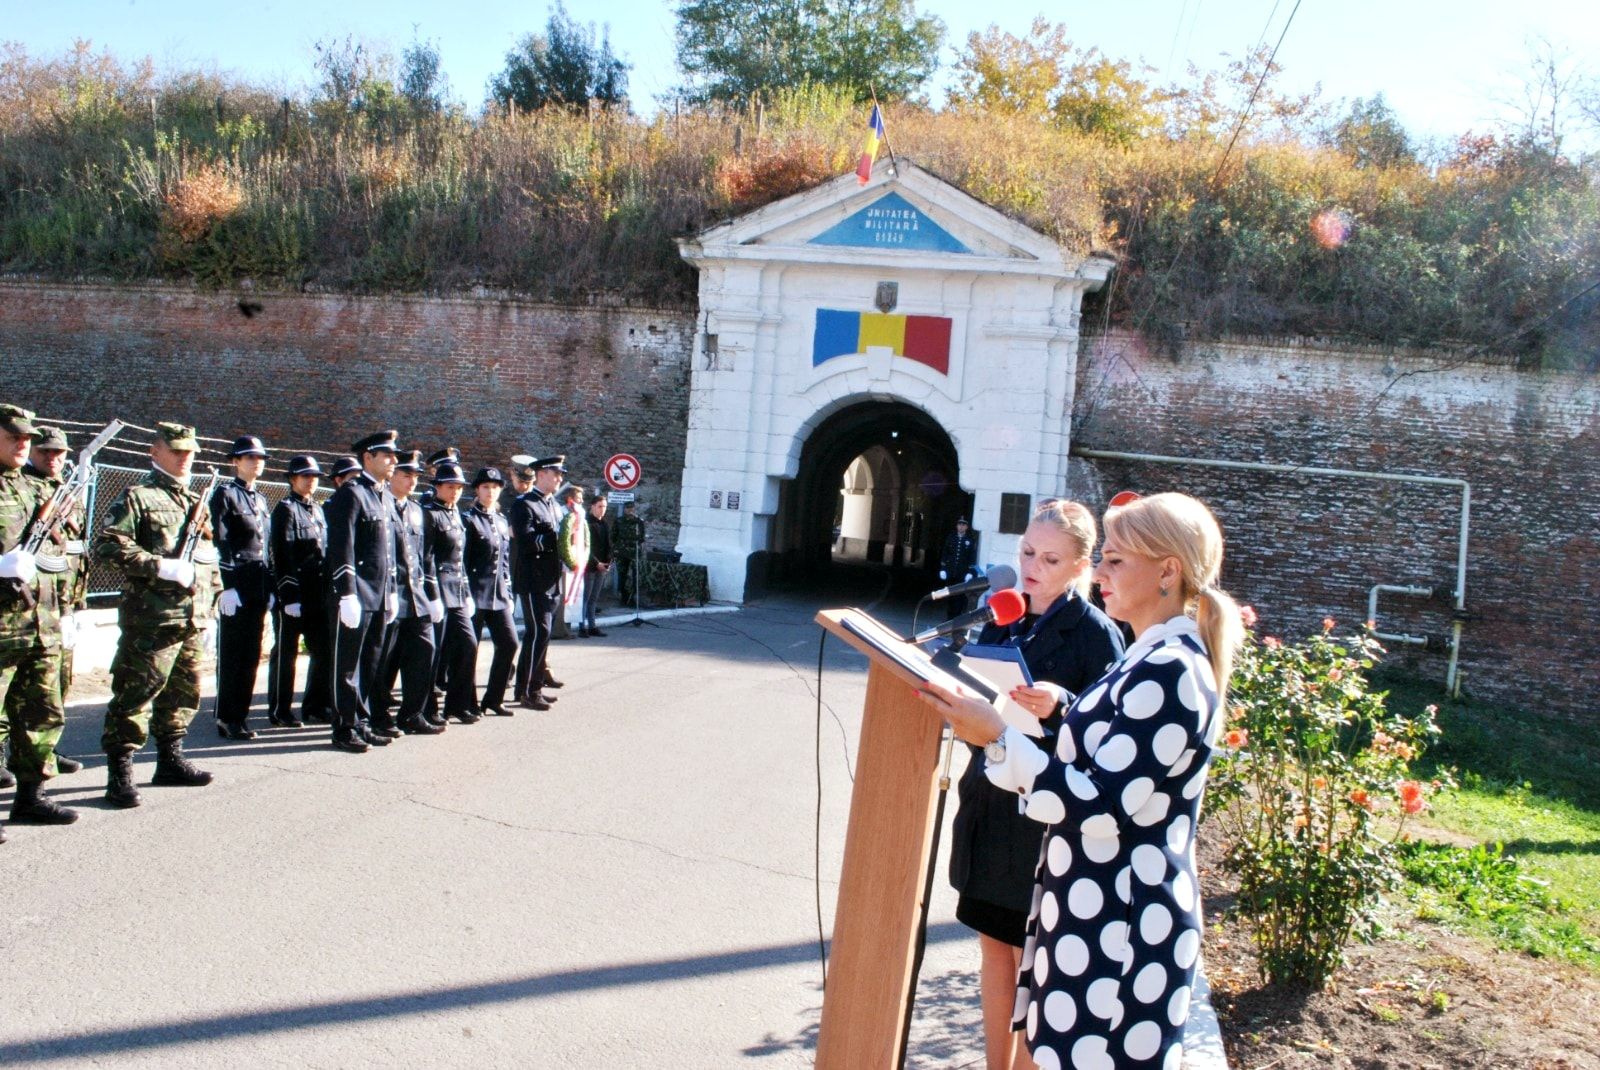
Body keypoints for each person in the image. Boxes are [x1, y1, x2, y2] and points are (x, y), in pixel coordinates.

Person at [916, 492, 1243, 1070]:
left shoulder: (1169, 668)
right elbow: (1114, 748)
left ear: (1167, 571)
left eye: (1115, 560)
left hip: (1120, 922)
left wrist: (997, 735)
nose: (1100, 572)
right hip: (1095, 913)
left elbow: (1101, 806)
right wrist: (1056, 710)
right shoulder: (1151, 655)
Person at [948, 500, 1125, 1070]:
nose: (1032, 567)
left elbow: (1110, 738)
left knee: (1034, 963)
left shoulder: (1096, 634)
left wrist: (1059, 706)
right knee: (994, 949)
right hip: (989, 801)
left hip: (1043, 819)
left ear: (1080, 567)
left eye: (1050, 559)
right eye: (1027, 552)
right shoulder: (1001, 614)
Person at [94, 421, 220, 808]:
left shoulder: (195, 500)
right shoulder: (138, 496)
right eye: (176, 450)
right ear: (155, 452)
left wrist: (212, 603)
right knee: (135, 695)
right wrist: (159, 566)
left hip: (191, 619)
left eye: (189, 452)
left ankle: (170, 760)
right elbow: (108, 547)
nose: (184, 458)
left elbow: (206, 557)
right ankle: (120, 774)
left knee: (183, 695)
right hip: (152, 619)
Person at [0, 405, 77, 834]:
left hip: (40, 623)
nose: (23, 444)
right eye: (13, 436)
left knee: (42, 715)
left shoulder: (32, 488)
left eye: (27, 438)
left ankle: (31, 798)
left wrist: (67, 609)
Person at [323, 430, 400, 753]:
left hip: (379, 593)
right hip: (355, 594)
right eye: (387, 455)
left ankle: (362, 722)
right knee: (347, 665)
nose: (393, 461)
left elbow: (389, 550)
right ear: (368, 457)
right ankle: (344, 727)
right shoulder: (351, 494)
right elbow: (342, 547)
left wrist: (391, 589)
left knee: (370, 663)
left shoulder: (383, 496)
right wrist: (346, 593)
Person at [373, 450, 442, 737]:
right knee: (383, 661)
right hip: (391, 594)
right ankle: (378, 717)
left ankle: (412, 714)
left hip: (416, 595)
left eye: (415, 476)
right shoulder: (381, 503)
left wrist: (433, 594)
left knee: (424, 653)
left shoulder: (415, 510)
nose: (412, 481)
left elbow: (425, 556)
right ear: (393, 476)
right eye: (406, 475)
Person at [210, 435, 272, 740]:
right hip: (236, 587)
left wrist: (270, 587)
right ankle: (226, 716)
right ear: (235, 462)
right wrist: (227, 586)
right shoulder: (225, 494)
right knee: (232, 654)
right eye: (249, 457)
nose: (256, 462)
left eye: (259, 458)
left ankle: (241, 715)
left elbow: (265, 548)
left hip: (257, 586)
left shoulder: (260, 499)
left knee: (251, 654)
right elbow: (220, 541)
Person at [267, 455, 331, 728]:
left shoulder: (317, 509)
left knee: (322, 650)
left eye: (314, 476)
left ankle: (315, 706)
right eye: (305, 476)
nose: (311, 481)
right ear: (293, 479)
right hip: (294, 594)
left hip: (317, 593)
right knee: (286, 654)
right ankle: (280, 710)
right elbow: (282, 554)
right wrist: (289, 595)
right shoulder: (286, 509)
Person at [508, 455, 564, 710]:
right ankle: (529, 691)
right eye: (556, 474)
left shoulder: (552, 504)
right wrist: (553, 539)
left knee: (543, 634)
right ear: (541, 474)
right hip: (532, 578)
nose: (559, 479)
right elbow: (525, 540)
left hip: (551, 578)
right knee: (537, 632)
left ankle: (531, 686)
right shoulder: (525, 504)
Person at [422, 461, 474, 728]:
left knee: (468, 644)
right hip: (438, 590)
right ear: (438, 487)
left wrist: (467, 591)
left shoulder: (456, 514)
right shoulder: (429, 514)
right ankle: (428, 708)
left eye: (458, 487)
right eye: (450, 486)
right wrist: (432, 595)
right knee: (435, 652)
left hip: (457, 590)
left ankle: (457, 704)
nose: (455, 491)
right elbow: (427, 558)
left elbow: (460, 559)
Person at [462, 467, 516, 720]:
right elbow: (462, 560)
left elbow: (504, 561)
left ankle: (494, 699)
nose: (490, 492)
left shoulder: (502, 520)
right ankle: (467, 702)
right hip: (475, 593)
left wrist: (508, 590)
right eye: (485, 487)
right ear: (477, 490)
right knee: (469, 649)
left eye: (495, 487)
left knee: (509, 643)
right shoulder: (469, 519)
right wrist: (464, 593)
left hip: (498, 594)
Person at [555, 484, 588, 638]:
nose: (581, 502)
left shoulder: (579, 515)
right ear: (570, 499)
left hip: (576, 559)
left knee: (573, 595)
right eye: (578, 499)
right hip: (564, 562)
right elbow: (562, 538)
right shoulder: (561, 513)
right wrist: (569, 559)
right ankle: (559, 629)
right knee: (563, 596)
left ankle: (566, 628)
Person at [580, 488, 612, 637]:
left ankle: (592, 626)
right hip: (590, 565)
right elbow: (585, 546)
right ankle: (582, 627)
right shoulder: (586, 522)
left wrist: (608, 562)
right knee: (585, 598)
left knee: (594, 598)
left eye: (604, 507)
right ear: (592, 506)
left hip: (602, 566)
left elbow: (608, 545)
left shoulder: (605, 523)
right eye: (600, 506)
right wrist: (596, 562)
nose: (602, 509)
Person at [940, 517, 979, 619]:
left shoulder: (969, 540)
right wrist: (943, 569)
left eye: (963, 525)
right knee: (949, 594)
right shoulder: (951, 538)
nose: (961, 527)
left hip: (962, 573)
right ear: (957, 526)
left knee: (960, 596)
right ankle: (949, 617)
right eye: (959, 524)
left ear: (966, 527)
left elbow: (972, 557)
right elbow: (945, 553)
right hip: (951, 572)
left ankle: (956, 617)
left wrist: (970, 571)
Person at [612, 500, 645, 605]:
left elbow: (642, 537)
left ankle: (632, 597)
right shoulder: (619, 521)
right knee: (622, 575)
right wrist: (617, 548)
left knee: (636, 575)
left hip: (634, 553)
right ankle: (623, 597)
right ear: (624, 509)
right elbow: (613, 536)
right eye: (627, 508)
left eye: (631, 508)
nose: (630, 510)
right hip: (622, 552)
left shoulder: (639, 522)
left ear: (634, 509)